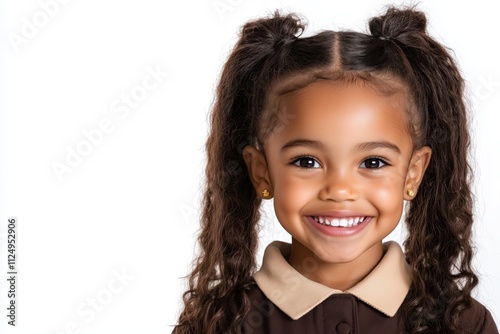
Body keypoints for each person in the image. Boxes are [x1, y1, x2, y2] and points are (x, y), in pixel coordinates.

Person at [172, 5, 499, 334]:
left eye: (373, 163)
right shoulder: (218, 326)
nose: (340, 190)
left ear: (413, 173)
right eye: (306, 161)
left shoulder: (463, 325)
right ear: (262, 172)